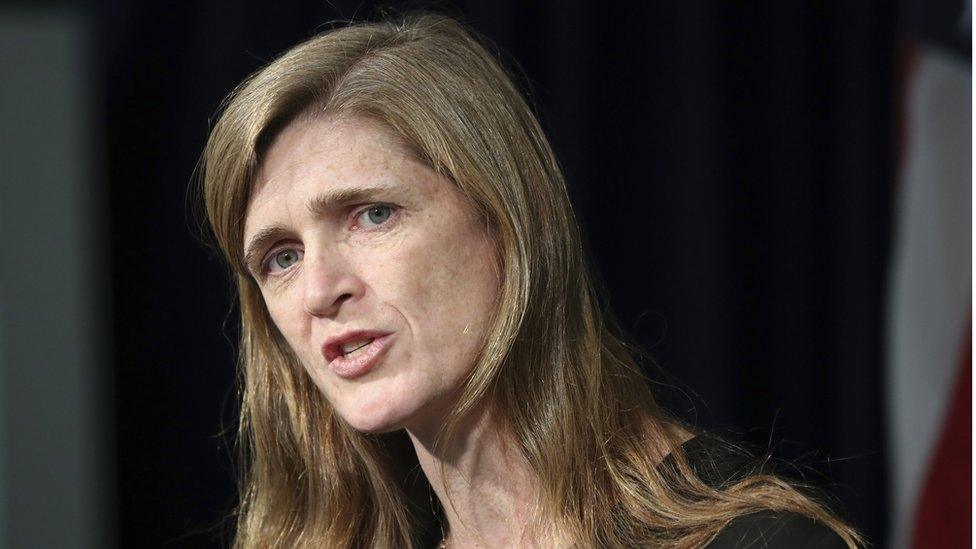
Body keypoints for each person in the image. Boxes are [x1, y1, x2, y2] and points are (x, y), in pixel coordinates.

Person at [200, 12, 862, 548]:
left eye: (373, 214)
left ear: (508, 222)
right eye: (280, 257)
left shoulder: (753, 541)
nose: (320, 290)